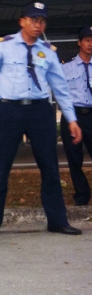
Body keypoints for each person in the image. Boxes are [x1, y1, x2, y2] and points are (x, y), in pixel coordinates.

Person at [0, 1, 82, 236]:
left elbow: (60, 87)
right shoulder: (3, 46)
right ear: (22, 21)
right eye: (34, 20)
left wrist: (72, 119)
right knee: (0, 167)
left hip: (40, 111)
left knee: (50, 167)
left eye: (42, 21)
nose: (39, 25)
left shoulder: (47, 51)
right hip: (9, 110)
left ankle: (57, 220)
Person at [60, 25, 92, 206]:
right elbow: (61, 93)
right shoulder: (67, 67)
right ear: (79, 43)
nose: (90, 44)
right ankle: (82, 195)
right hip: (73, 116)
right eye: (87, 40)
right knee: (74, 158)